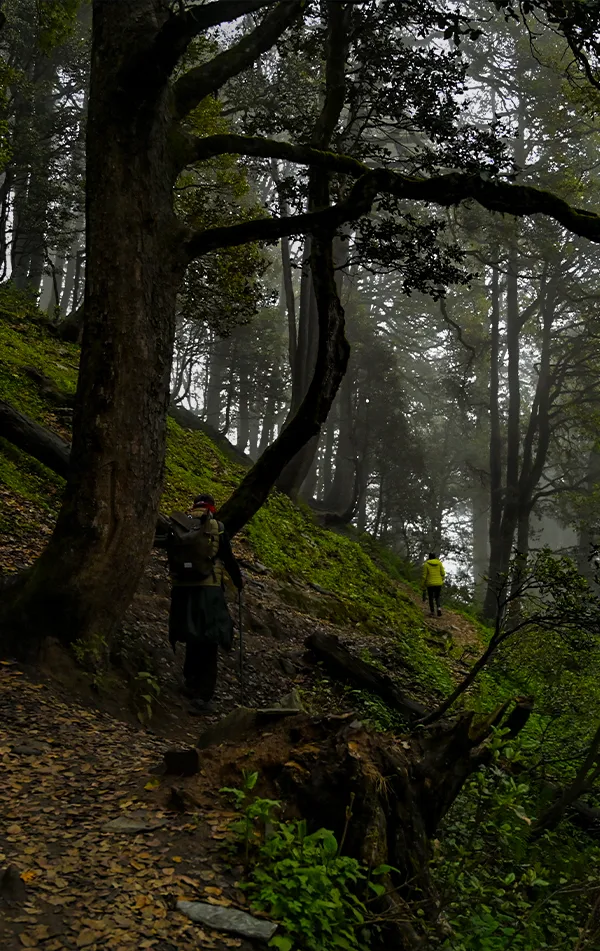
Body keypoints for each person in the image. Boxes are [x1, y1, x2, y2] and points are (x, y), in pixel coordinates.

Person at [157, 493, 244, 713]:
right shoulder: (216, 526)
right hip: (208, 590)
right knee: (209, 638)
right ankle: (204, 696)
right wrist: (238, 580)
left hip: (183, 589)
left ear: (194, 506)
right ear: (212, 507)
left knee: (192, 634)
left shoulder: (181, 524)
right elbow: (227, 556)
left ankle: (190, 682)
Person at [422, 552, 446, 617]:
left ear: (429, 557)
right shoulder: (439, 563)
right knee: (437, 597)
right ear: (435, 557)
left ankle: (432, 612)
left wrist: (422, 584)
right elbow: (443, 573)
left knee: (430, 598)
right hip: (438, 583)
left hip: (430, 584)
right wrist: (441, 580)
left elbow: (424, 576)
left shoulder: (426, 564)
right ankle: (439, 609)